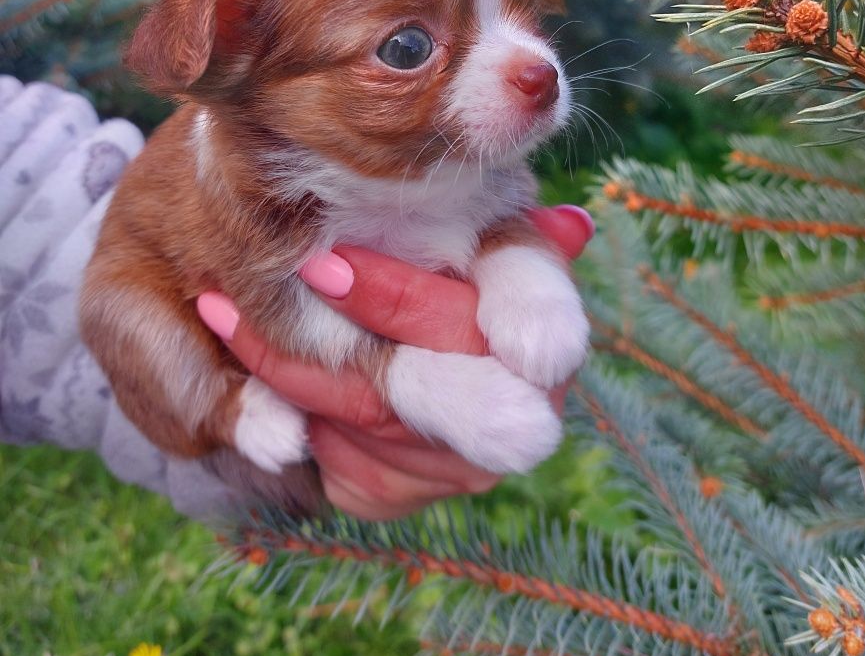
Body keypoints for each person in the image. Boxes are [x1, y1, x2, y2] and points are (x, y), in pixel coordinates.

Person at [0, 76, 593, 521]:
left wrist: (518, 270)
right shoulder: (254, 178)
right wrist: (404, 376)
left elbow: (502, 217)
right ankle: (227, 410)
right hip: (163, 308)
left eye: (525, 9)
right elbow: (272, 297)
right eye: (406, 49)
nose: (538, 68)